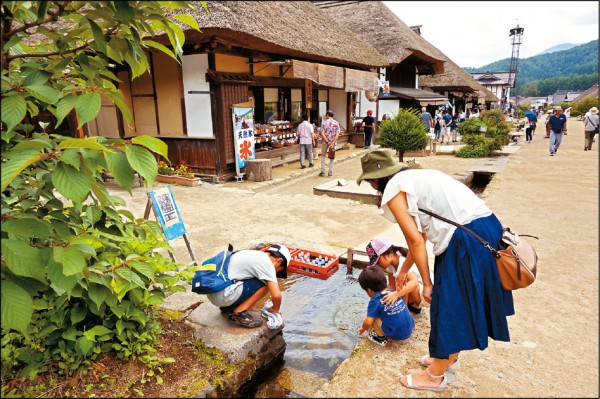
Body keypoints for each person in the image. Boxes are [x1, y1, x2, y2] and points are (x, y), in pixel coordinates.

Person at [356, 149, 514, 391]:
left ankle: (435, 376)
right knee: (459, 306)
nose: (371, 187)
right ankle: (446, 358)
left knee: (448, 307)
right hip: (486, 230)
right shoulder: (416, 178)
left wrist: (427, 283)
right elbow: (417, 237)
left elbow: (417, 241)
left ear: (376, 179)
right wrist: (402, 271)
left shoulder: (393, 189)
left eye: (369, 181)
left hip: (465, 240)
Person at [206, 244, 291, 328]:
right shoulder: (267, 263)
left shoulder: (252, 254)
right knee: (266, 284)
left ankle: (228, 306)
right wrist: (275, 309)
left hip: (214, 294)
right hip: (224, 296)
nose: (276, 272)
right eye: (279, 270)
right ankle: (239, 312)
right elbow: (276, 295)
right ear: (279, 261)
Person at [356, 265, 416, 347]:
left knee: (373, 316)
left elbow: (368, 321)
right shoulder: (393, 293)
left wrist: (363, 328)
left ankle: (380, 338)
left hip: (397, 335)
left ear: (369, 290)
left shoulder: (375, 301)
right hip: (410, 328)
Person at [366, 237, 422, 314]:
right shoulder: (391, 265)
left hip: (423, 295)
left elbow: (414, 283)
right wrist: (381, 298)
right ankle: (407, 306)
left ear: (388, 255)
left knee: (403, 281)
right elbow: (391, 286)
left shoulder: (403, 262)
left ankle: (407, 308)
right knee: (398, 283)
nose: (378, 265)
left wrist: (396, 294)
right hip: (413, 295)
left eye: (378, 262)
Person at [319, 110, 340, 177]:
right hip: (333, 143)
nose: (325, 116)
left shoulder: (324, 123)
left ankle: (323, 171)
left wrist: (328, 142)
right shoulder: (336, 123)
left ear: (327, 115)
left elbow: (322, 133)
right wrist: (332, 143)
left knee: (323, 156)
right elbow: (337, 134)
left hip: (325, 142)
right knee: (332, 157)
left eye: (326, 115)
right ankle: (330, 172)